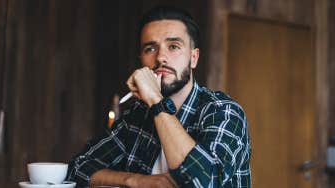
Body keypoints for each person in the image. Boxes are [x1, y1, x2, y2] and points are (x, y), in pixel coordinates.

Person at [67, 6, 251, 188]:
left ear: (193, 58)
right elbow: (78, 168)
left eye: (173, 46)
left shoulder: (224, 111)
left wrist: (156, 101)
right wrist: (136, 181)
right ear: (141, 59)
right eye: (150, 49)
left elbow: (203, 182)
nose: (161, 57)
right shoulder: (137, 116)